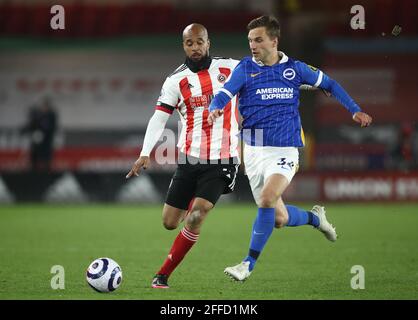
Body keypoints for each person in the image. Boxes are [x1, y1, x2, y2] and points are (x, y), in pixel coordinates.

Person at [208, 15, 373, 281]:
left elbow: (329, 84)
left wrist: (354, 110)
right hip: (252, 150)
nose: (253, 45)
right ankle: (315, 219)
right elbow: (224, 93)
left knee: (266, 198)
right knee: (279, 218)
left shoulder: (295, 69)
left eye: (259, 39)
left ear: (274, 40)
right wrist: (215, 108)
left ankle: (247, 264)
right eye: (250, 40)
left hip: (285, 149)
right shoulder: (245, 69)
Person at [126, 23, 241, 289]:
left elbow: (264, 70)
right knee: (169, 222)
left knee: (197, 215)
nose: (195, 47)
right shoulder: (174, 81)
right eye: (190, 43)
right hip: (189, 160)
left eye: (199, 42)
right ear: (184, 46)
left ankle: (162, 275)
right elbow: (159, 118)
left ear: (208, 42)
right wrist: (145, 153)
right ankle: (193, 214)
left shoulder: (231, 68)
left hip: (222, 160)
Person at [21, 96, 58, 171]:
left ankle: (47, 169)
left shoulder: (51, 115)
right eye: (42, 106)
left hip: (47, 141)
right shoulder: (37, 115)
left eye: (45, 106)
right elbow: (31, 126)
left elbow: (52, 128)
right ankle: (33, 169)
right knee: (34, 154)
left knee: (46, 157)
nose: (43, 108)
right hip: (37, 141)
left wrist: (43, 130)